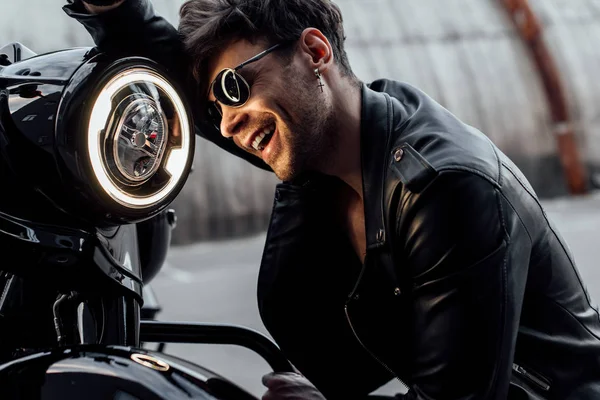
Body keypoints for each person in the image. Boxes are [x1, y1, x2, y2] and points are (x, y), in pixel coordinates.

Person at [64, 0, 600, 399]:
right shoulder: (328, 142)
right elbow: (176, 67)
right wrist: (112, 10)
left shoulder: (444, 187)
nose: (227, 124)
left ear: (315, 52)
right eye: (216, 107)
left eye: (232, 89)